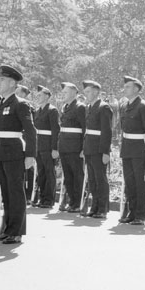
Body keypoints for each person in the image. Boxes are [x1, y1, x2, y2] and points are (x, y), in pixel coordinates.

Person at [0, 65, 37, 244]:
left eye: (2, 80)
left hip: (15, 152)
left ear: (12, 83)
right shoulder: (2, 103)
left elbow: (31, 131)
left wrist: (30, 155)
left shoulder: (20, 104)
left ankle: (16, 231)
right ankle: (7, 228)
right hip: (2, 151)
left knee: (16, 193)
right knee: (6, 193)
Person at [118, 76, 145, 226]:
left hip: (140, 149)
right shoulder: (124, 105)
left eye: (128, 86)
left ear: (136, 89)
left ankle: (140, 215)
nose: (125, 89)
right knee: (129, 183)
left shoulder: (144, 106)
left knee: (140, 182)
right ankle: (131, 212)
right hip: (127, 147)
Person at [82, 80, 112, 218]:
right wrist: (84, 147)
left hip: (99, 149)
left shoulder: (103, 107)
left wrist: (106, 152)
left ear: (95, 92)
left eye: (88, 91)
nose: (85, 94)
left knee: (100, 179)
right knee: (92, 180)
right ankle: (94, 207)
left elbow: (107, 131)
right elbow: (87, 131)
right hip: (89, 148)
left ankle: (102, 208)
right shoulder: (89, 107)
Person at [57, 82, 86, 212]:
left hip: (75, 147)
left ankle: (77, 202)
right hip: (64, 146)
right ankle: (72, 201)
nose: (63, 95)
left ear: (74, 93)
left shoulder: (80, 107)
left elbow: (85, 128)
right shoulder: (65, 107)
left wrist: (83, 148)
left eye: (66, 92)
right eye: (63, 92)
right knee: (68, 176)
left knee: (77, 175)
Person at [32, 85, 60, 208]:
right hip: (39, 146)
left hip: (48, 146)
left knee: (49, 173)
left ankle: (49, 200)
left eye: (41, 95)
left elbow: (55, 130)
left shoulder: (52, 110)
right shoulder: (37, 111)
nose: (38, 97)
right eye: (37, 95)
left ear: (47, 96)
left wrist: (55, 148)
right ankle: (42, 197)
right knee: (41, 172)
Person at [16, 85, 37, 205]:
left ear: (24, 94)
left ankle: (28, 195)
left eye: (18, 92)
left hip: (25, 139)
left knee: (28, 169)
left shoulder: (28, 107)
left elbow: (30, 128)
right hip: (18, 138)